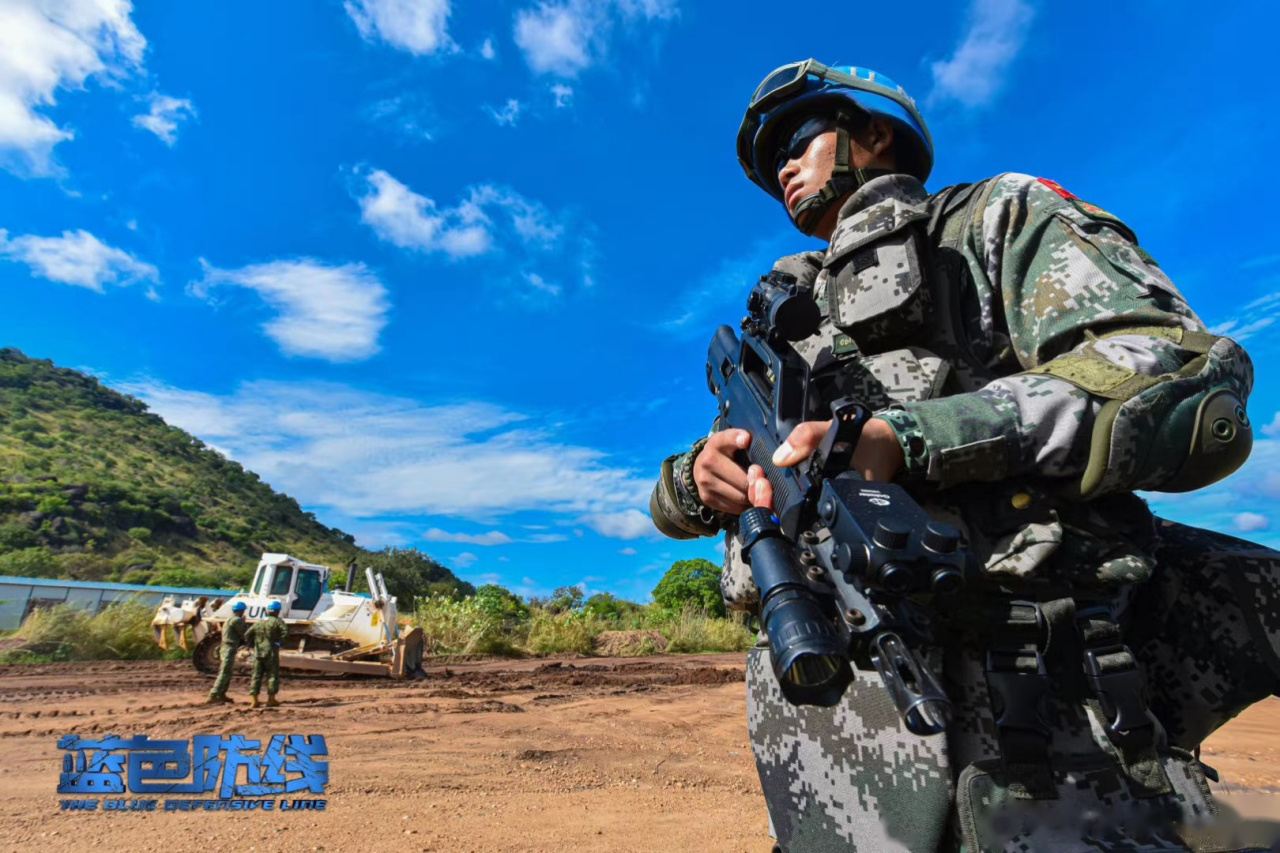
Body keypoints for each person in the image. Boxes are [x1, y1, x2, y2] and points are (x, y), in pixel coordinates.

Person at [649, 59, 1280, 852]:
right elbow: (678, 494)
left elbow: (1177, 383)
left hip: (1041, 709)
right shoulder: (788, 324)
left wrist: (911, 441)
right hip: (836, 748)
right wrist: (698, 479)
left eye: (799, 137)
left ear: (875, 135)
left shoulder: (992, 219)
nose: (781, 164)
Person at [204, 600, 249, 705]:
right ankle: (214, 695)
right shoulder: (237, 621)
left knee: (227, 673)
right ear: (242, 611)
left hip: (226, 648)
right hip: (229, 648)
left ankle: (221, 694)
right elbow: (245, 633)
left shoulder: (229, 619)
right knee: (224, 673)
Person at [246, 599, 287, 709]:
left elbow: (247, 634)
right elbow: (285, 632)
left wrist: (251, 644)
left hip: (258, 652)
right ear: (278, 611)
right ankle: (271, 699)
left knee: (256, 675)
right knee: (272, 675)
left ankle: (254, 700)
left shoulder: (259, 622)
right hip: (271, 652)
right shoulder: (278, 621)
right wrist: (279, 642)